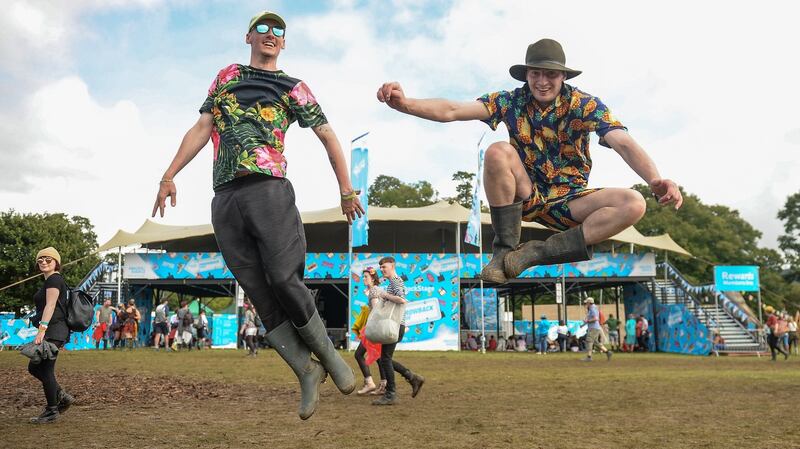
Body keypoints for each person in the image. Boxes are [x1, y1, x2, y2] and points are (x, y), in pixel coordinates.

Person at [151, 10, 362, 420]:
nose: (270, 34)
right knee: (257, 290)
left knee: (284, 277)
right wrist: (169, 174)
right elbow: (201, 128)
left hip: (268, 187)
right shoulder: (227, 75)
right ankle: (305, 370)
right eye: (262, 28)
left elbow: (327, 135)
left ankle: (330, 357)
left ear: (283, 42)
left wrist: (345, 189)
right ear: (249, 35)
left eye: (278, 30)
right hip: (225, 196)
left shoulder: (293, 87)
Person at [376, 38, 682, 285]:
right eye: (536, 73)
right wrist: (405, 104)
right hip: (526, 195)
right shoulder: (511, 102)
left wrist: (655, 180)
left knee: (634, 203)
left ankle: (535, 253)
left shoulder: (584, 105)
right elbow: (454, 110)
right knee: (498, 150)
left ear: (563, 76)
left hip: (570, 201)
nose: (543, 82)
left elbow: (622, 141)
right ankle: (503, 252)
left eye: (551, 74)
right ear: (527, 75)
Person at [26, 247, 74, 424]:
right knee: (36, 368)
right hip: (54, 331)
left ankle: (52, 410)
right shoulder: (50, 281)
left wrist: (41, 329)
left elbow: (51, 305)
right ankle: (61, 396)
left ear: (56, 263)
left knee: (44, 369)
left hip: (53, 331)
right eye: (40, 260)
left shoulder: (54, 279)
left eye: (48, 259)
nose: (43, 262)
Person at [374, 256, 425, 406]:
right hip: (395, 324)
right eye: (381, 267)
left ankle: (391, 394)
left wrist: (384, 295)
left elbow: (402, 299)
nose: (382, 269)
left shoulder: (396, 281)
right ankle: (412, 378)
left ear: (392, 266)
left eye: (384, 267)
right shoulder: (392, 282)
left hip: (395, 325)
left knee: (385, 359)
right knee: (385, 358)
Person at [353, 267, 386, 395]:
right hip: (377, 327)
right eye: (363, 277)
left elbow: (377, 311)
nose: (363, 279)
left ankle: (369, 382)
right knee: (379, 357)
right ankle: (383, 385)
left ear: (373, 278)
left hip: (374, 328)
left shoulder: (373, 291)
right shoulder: (377, 290)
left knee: (359, 354)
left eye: (366, 277)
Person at [581, 297, 612, 362]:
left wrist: (588, 321)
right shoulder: (593, 308)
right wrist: (584, 324)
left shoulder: (593, 309)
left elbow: (596, 318)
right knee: (596, 342)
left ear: (589, 302)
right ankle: (607, 352)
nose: (586, 304)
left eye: (586, 302)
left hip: (593, 328)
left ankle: (589, 357)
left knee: (589, 341)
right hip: (595, 328)